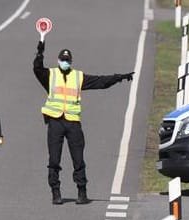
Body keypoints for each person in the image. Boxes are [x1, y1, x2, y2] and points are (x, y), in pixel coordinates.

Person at [34, 40, 134, 205]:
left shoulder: (77, 77)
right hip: (55, 123)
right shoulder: (50, 75)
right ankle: (55, 193)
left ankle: (82, 192)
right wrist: (40, 50)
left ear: (70, 62)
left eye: (67, 61)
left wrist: (118, 78)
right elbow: (37, 69)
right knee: (54, 159)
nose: (65, 63)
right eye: (63, 60)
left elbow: (100, 82)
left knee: (78, 159)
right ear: (58, 61)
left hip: (73, 123)